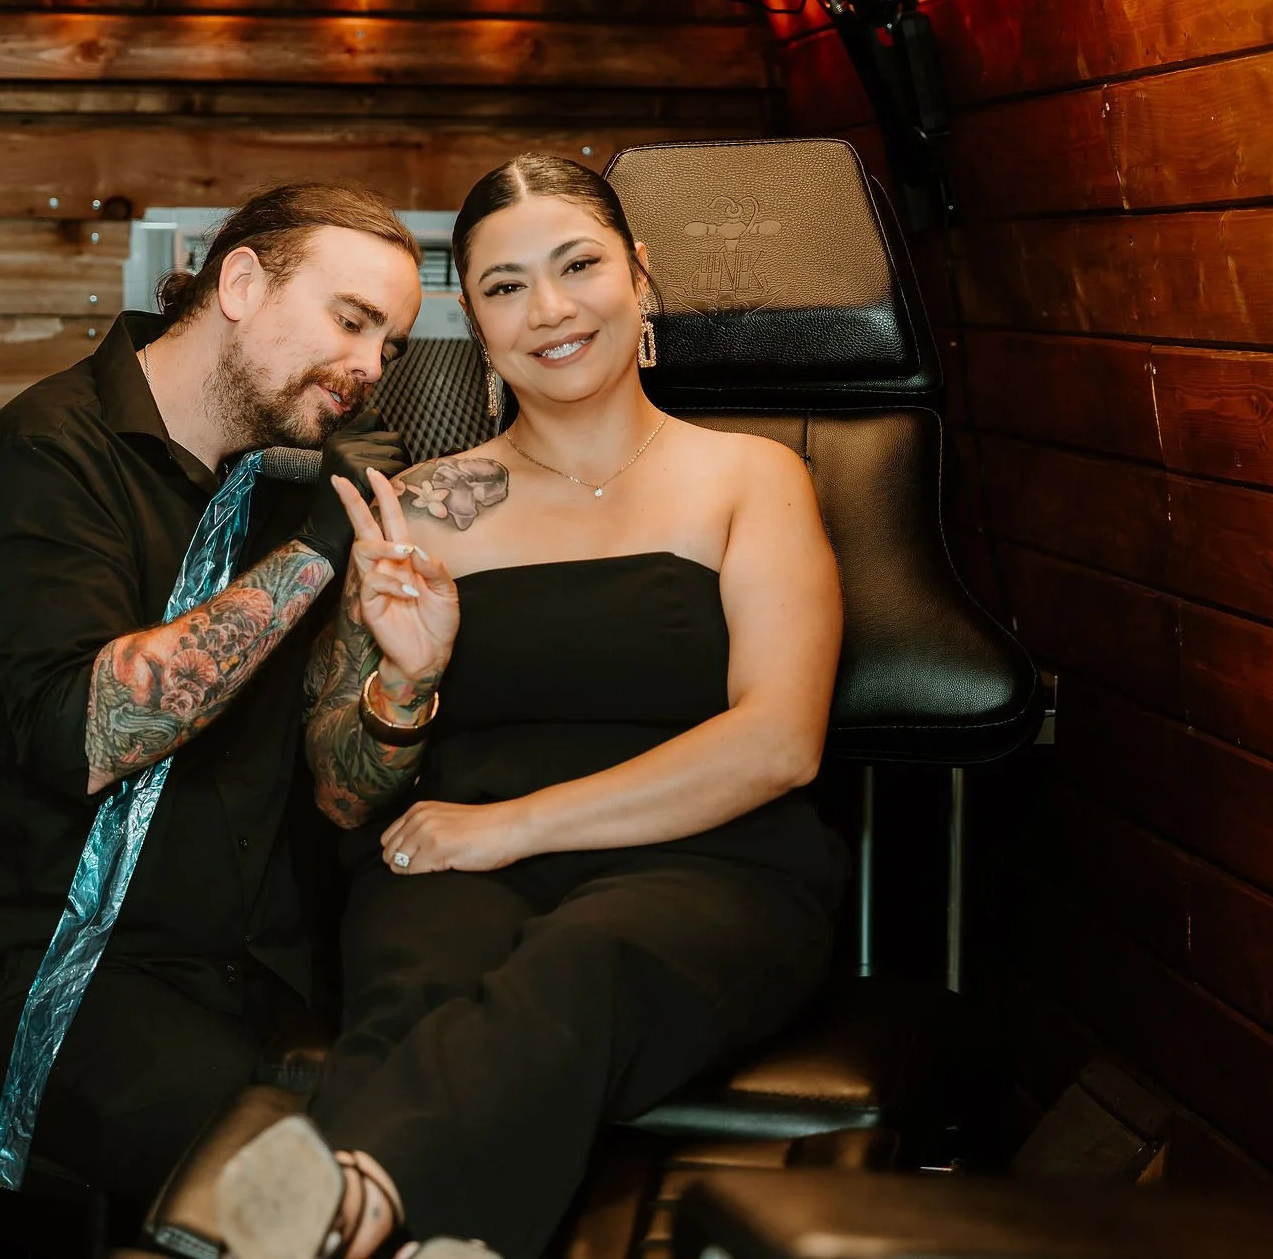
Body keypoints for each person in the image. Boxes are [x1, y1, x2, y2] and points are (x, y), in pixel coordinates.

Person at [215, 155, 848, 1259]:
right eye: (504, 286)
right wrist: (405, 680)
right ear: (473, 319)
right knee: (413, 983)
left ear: (638, 278)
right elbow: (335, 790)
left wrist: (511, 825)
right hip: (453, 859)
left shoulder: (753, 477)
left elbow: (778, 744)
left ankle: (350, 1198)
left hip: (709, 861)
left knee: (580, 962)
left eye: (577, 266)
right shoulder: (418, 506)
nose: (547, 311)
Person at [0, 184, 424, 1213]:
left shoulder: (279, 487)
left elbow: (345, 792)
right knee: (297, 1203)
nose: (367, 367)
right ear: (240, 280)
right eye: (351, 321)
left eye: (388, 346)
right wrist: (314, 556)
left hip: (242, 981)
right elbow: (85, 733)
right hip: (42, 977)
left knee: (428, 1151)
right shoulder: (50, 452)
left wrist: (406, 675)